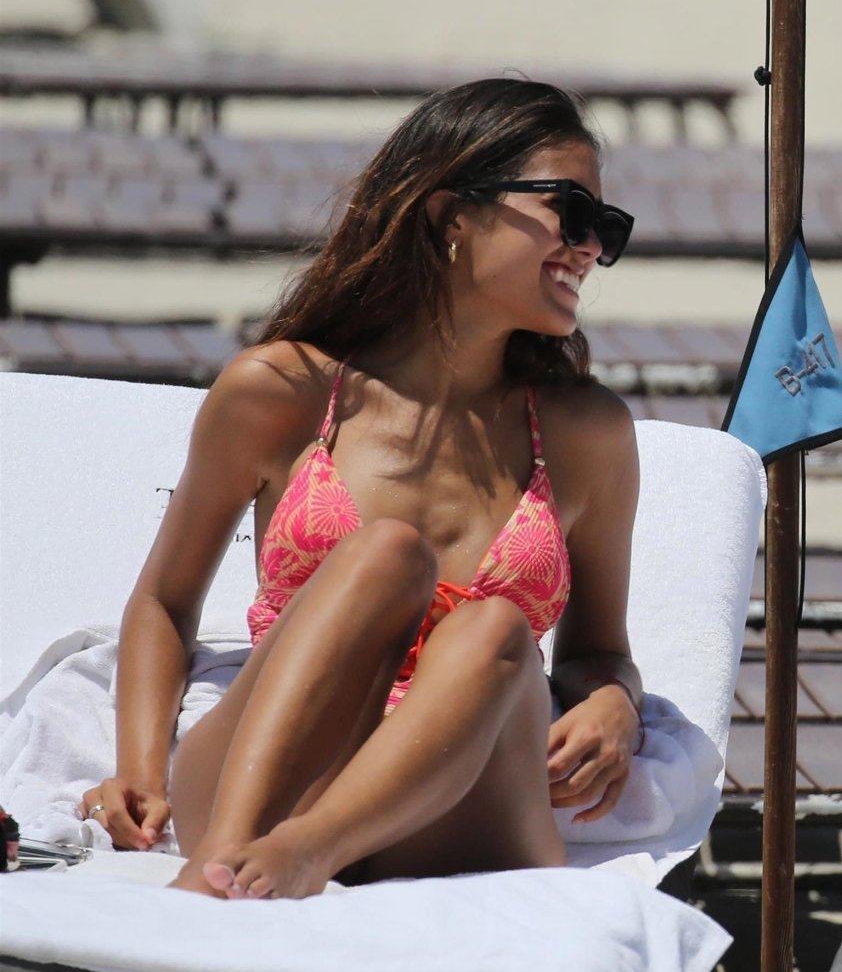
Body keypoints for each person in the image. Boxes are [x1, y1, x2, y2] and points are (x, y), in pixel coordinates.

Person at [78, 78, 650, 900]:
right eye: (571, 212)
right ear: (451, 215)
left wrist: (617, 702)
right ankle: (235, 860)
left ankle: (298, 855)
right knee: (384, 554)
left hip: (456, 803)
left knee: (495, 627)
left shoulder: (585, 434)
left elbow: (597, 651)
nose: (591, 246)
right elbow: (165, 603)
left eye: (606, 227)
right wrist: (139, 771)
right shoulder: (280, 393)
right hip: (271, 783)